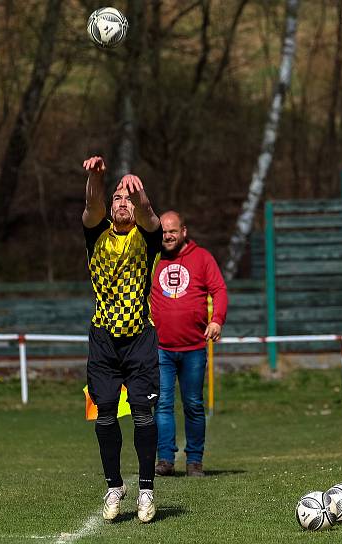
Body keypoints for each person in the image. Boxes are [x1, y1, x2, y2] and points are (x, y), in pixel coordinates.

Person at [81, 156, 162, 523]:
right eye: (118, 198)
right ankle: (114, 485)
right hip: (103, 339)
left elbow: (148, 214)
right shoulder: (95, 231)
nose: (123, 202)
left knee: (143, 415)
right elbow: (91, 205)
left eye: (126, 198)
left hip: (140, 337)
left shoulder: (146, 236)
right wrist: (97, 179)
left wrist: (138, 189)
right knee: (105, 415)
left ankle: (146, 490)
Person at [149, 211, 228, 478]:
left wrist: (217, 320)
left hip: (194, 348)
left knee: (193, 404)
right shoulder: (152, 257)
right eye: (163, 232)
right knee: (162, 404)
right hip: (160, 348)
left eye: (172, 231)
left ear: (184, 231)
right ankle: (165, 459)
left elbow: (219, 290)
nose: (167, 236)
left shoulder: (202, 257)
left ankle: (195, 460)